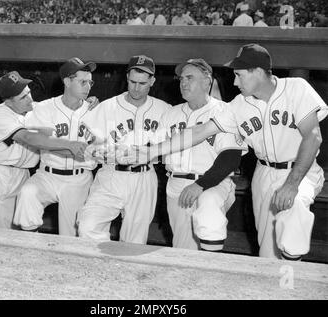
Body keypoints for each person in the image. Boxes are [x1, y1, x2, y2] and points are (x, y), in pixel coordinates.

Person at [121, 44, 328, 261]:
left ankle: (291, 276)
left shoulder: (296, 88)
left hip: (299, 170)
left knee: (293, 212)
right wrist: (151, 151)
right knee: (268, 253)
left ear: (257, 71)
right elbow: (200, 131)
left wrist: (292, 183)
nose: (235, 81)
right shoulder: (238, 105)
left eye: (239, 75)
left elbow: (313, 137)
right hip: (264, 173)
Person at [0, 71, 83, 228]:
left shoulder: (38, 108)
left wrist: (87, 102)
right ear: (9, 102)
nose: (30, 100)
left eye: (28, 93)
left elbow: (65, 104)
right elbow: (27, 137)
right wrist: (68, 145)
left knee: (8, 229)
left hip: (20, 174)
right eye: (22, 97)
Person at [78, 55, 171, 244]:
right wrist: (101, 152)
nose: (136, 88)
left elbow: (174, 146)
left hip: (144, 178)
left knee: (134, 242)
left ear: (152, 81)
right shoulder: (106, 107)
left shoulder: (165, 110)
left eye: (143, 83)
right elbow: (89, 146)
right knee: (88, 226)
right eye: (133, 81)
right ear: (127, 78)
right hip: (111, 175)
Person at [157, 58, 247, 251]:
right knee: (182, 248)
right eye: (181, 78)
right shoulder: (170, 114)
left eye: (190, 77)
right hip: (176, 185)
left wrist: (200, 185)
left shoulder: (224, 111)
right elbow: (155, 150)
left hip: (212, 184)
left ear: (207, 81)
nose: (183, 82)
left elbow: (231, 158)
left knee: (208, 235)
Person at [13, 58, 98, 236]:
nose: (88, 86)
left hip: (79, 179)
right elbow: (38, 139)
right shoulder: (44, 108)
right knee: (28, 193)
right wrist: (72, 149)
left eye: (90, 82)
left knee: (71, 234)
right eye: (82, 82)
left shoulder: (96, 110)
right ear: (67, 81)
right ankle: (29, 248)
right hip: (47, 175)